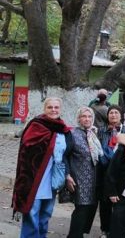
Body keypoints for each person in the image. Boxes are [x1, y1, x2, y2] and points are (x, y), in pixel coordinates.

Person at [12, 97, 71, 238]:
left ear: (60, 109)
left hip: (52, 181)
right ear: (44, 109)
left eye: (56, 107)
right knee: (32, 214)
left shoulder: (63, 129)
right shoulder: (36, 126)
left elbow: (67, 154)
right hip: (34, 180)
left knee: (45, 215)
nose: (53, 110)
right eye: (50, 107)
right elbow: (25, 153)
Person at [66, 106, 103, 237]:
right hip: (79, 177)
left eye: (89, 116)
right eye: (84, 116)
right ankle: (74, 235)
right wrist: (67, 175)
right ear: (78, 119)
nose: (87, 119)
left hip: (93, 178)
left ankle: (79, 233)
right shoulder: (72, 134)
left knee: (90, 207)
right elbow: (65, 155)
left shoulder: (92, 134)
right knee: (81, 208)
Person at [97, 105, 125, 237]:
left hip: (122, 172)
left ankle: (121, 229)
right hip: (104, 171)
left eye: (116, 113)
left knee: (121, 203)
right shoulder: (100, 131)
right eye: (111, 113)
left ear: (121, 115)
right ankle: (105, 229)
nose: (113, 115)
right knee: (105, 203)